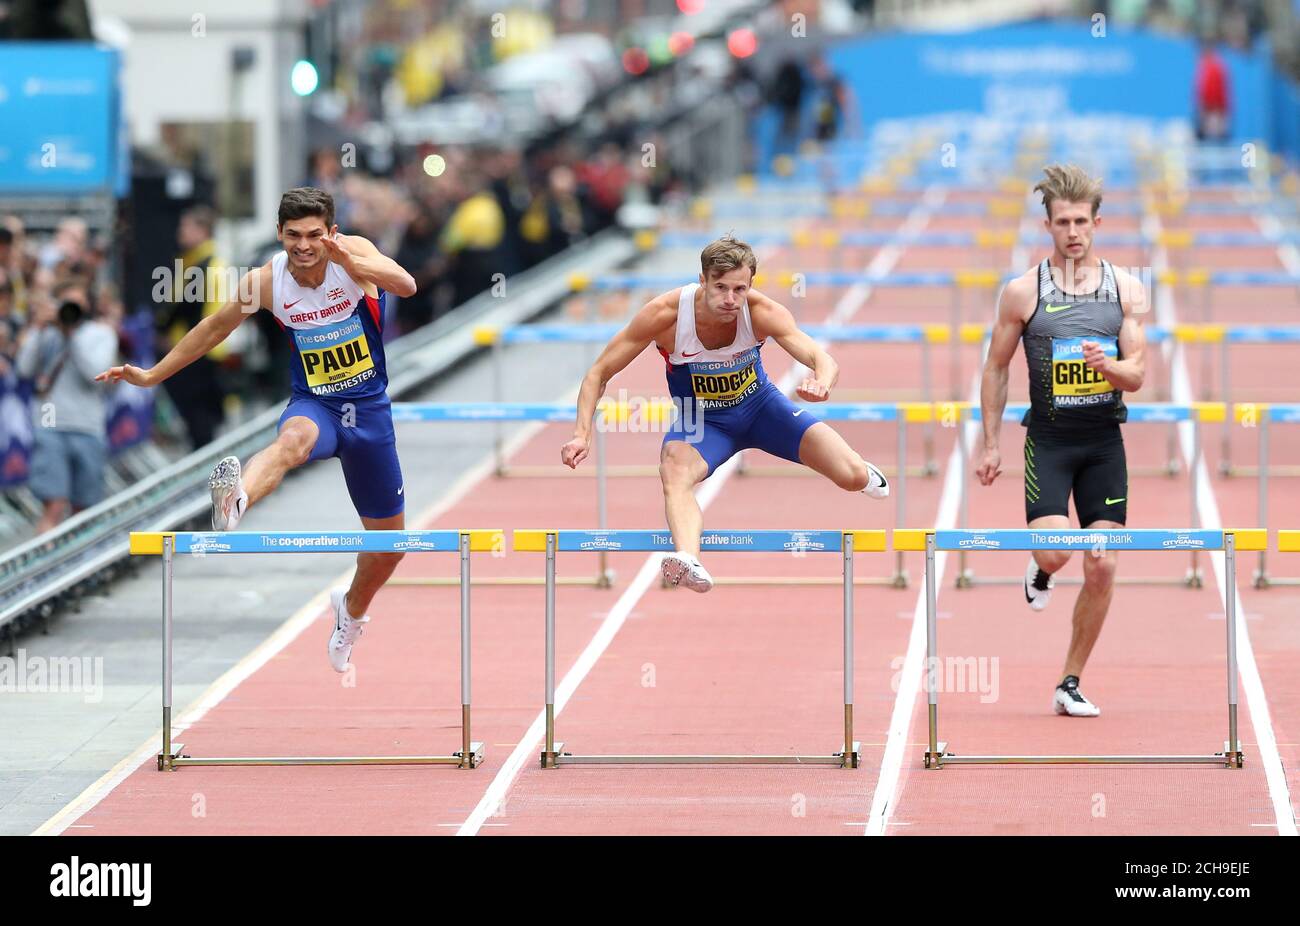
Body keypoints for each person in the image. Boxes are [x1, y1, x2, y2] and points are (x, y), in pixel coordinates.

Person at [97, 188, 418, 674]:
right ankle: (236, 499)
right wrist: (151, 375)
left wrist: (354, 263)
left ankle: (350, 613)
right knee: (292, 442)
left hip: (369, 413)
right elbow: (213, 329)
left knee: (388, 549)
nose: (304, 246)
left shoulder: (353, 254)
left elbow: (406, 285)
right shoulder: (266, 282)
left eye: (314, 235)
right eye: (294, 236)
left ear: (329, 232)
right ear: (279, 235)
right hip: (316, 405)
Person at [561, 236, 889, 592]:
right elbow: (599, 372)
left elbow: (819, 356)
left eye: (740, 289)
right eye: (720, 287)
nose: (731, 300)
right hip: (702, 422)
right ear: (702, 281)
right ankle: (689, 558)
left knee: (852, 477)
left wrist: (822, 382)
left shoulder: (761, 311)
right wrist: (582, 433)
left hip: (762, 410)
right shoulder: (665, 316)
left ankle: (860, 471)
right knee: (674, 470)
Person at [976, 164, 1148, 718]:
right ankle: (1043, 568)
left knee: (1102, 563)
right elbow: (996, 367)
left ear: (1097, 223)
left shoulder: (1125, 289)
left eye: (1082, 221)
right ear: (1047, 226)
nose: (1073, 231)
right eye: (1062, 222)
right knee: (1058, 549)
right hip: (1048, 441)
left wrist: (1111, 366)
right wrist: (991, 443)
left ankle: (1069, 680)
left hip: (1103, 444)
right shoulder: (1023, 292)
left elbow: (1139, 376)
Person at [15, 282, 118, 532]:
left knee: (83, 510)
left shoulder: (100, 334)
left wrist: (71, 336)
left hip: (87, 425)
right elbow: (24, 369)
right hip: (50, 423)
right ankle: (45, 568)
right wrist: (38, 330)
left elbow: (95, 372)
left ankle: (80, 566)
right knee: (54, 503)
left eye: (77, 303)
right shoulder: (47, 333)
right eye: (66, 303)